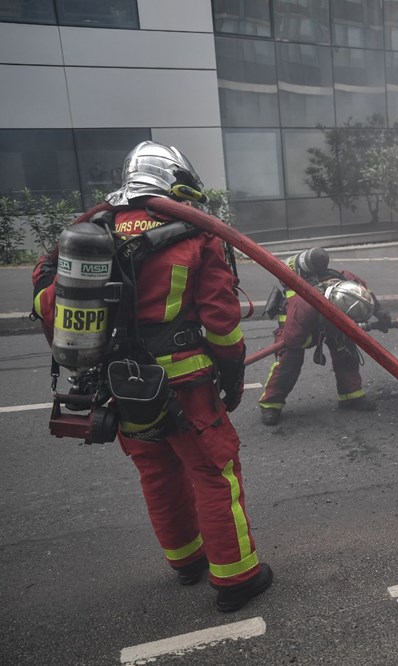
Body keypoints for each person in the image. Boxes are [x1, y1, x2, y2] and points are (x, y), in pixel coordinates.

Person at [31, 141, 272, 612]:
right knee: (213, 473)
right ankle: (237, 577)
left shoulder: (91, 232)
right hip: (186, 385)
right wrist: (233, 377)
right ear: (177, 180)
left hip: (118, 386)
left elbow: (49, 306)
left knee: (157, 473)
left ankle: (186, 562)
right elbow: (222, 324)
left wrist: (44, 276)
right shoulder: (197, 234)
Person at [258, 248, 391, 426]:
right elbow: (294, 339)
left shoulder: (348, 283)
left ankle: (350, 396)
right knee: (289, 362)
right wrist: (310, 339)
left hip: (330, 318)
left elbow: (366, 295)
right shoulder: (302, 304)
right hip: (294, 324)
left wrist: (380, 312)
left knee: (345, 350)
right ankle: (271, 404)